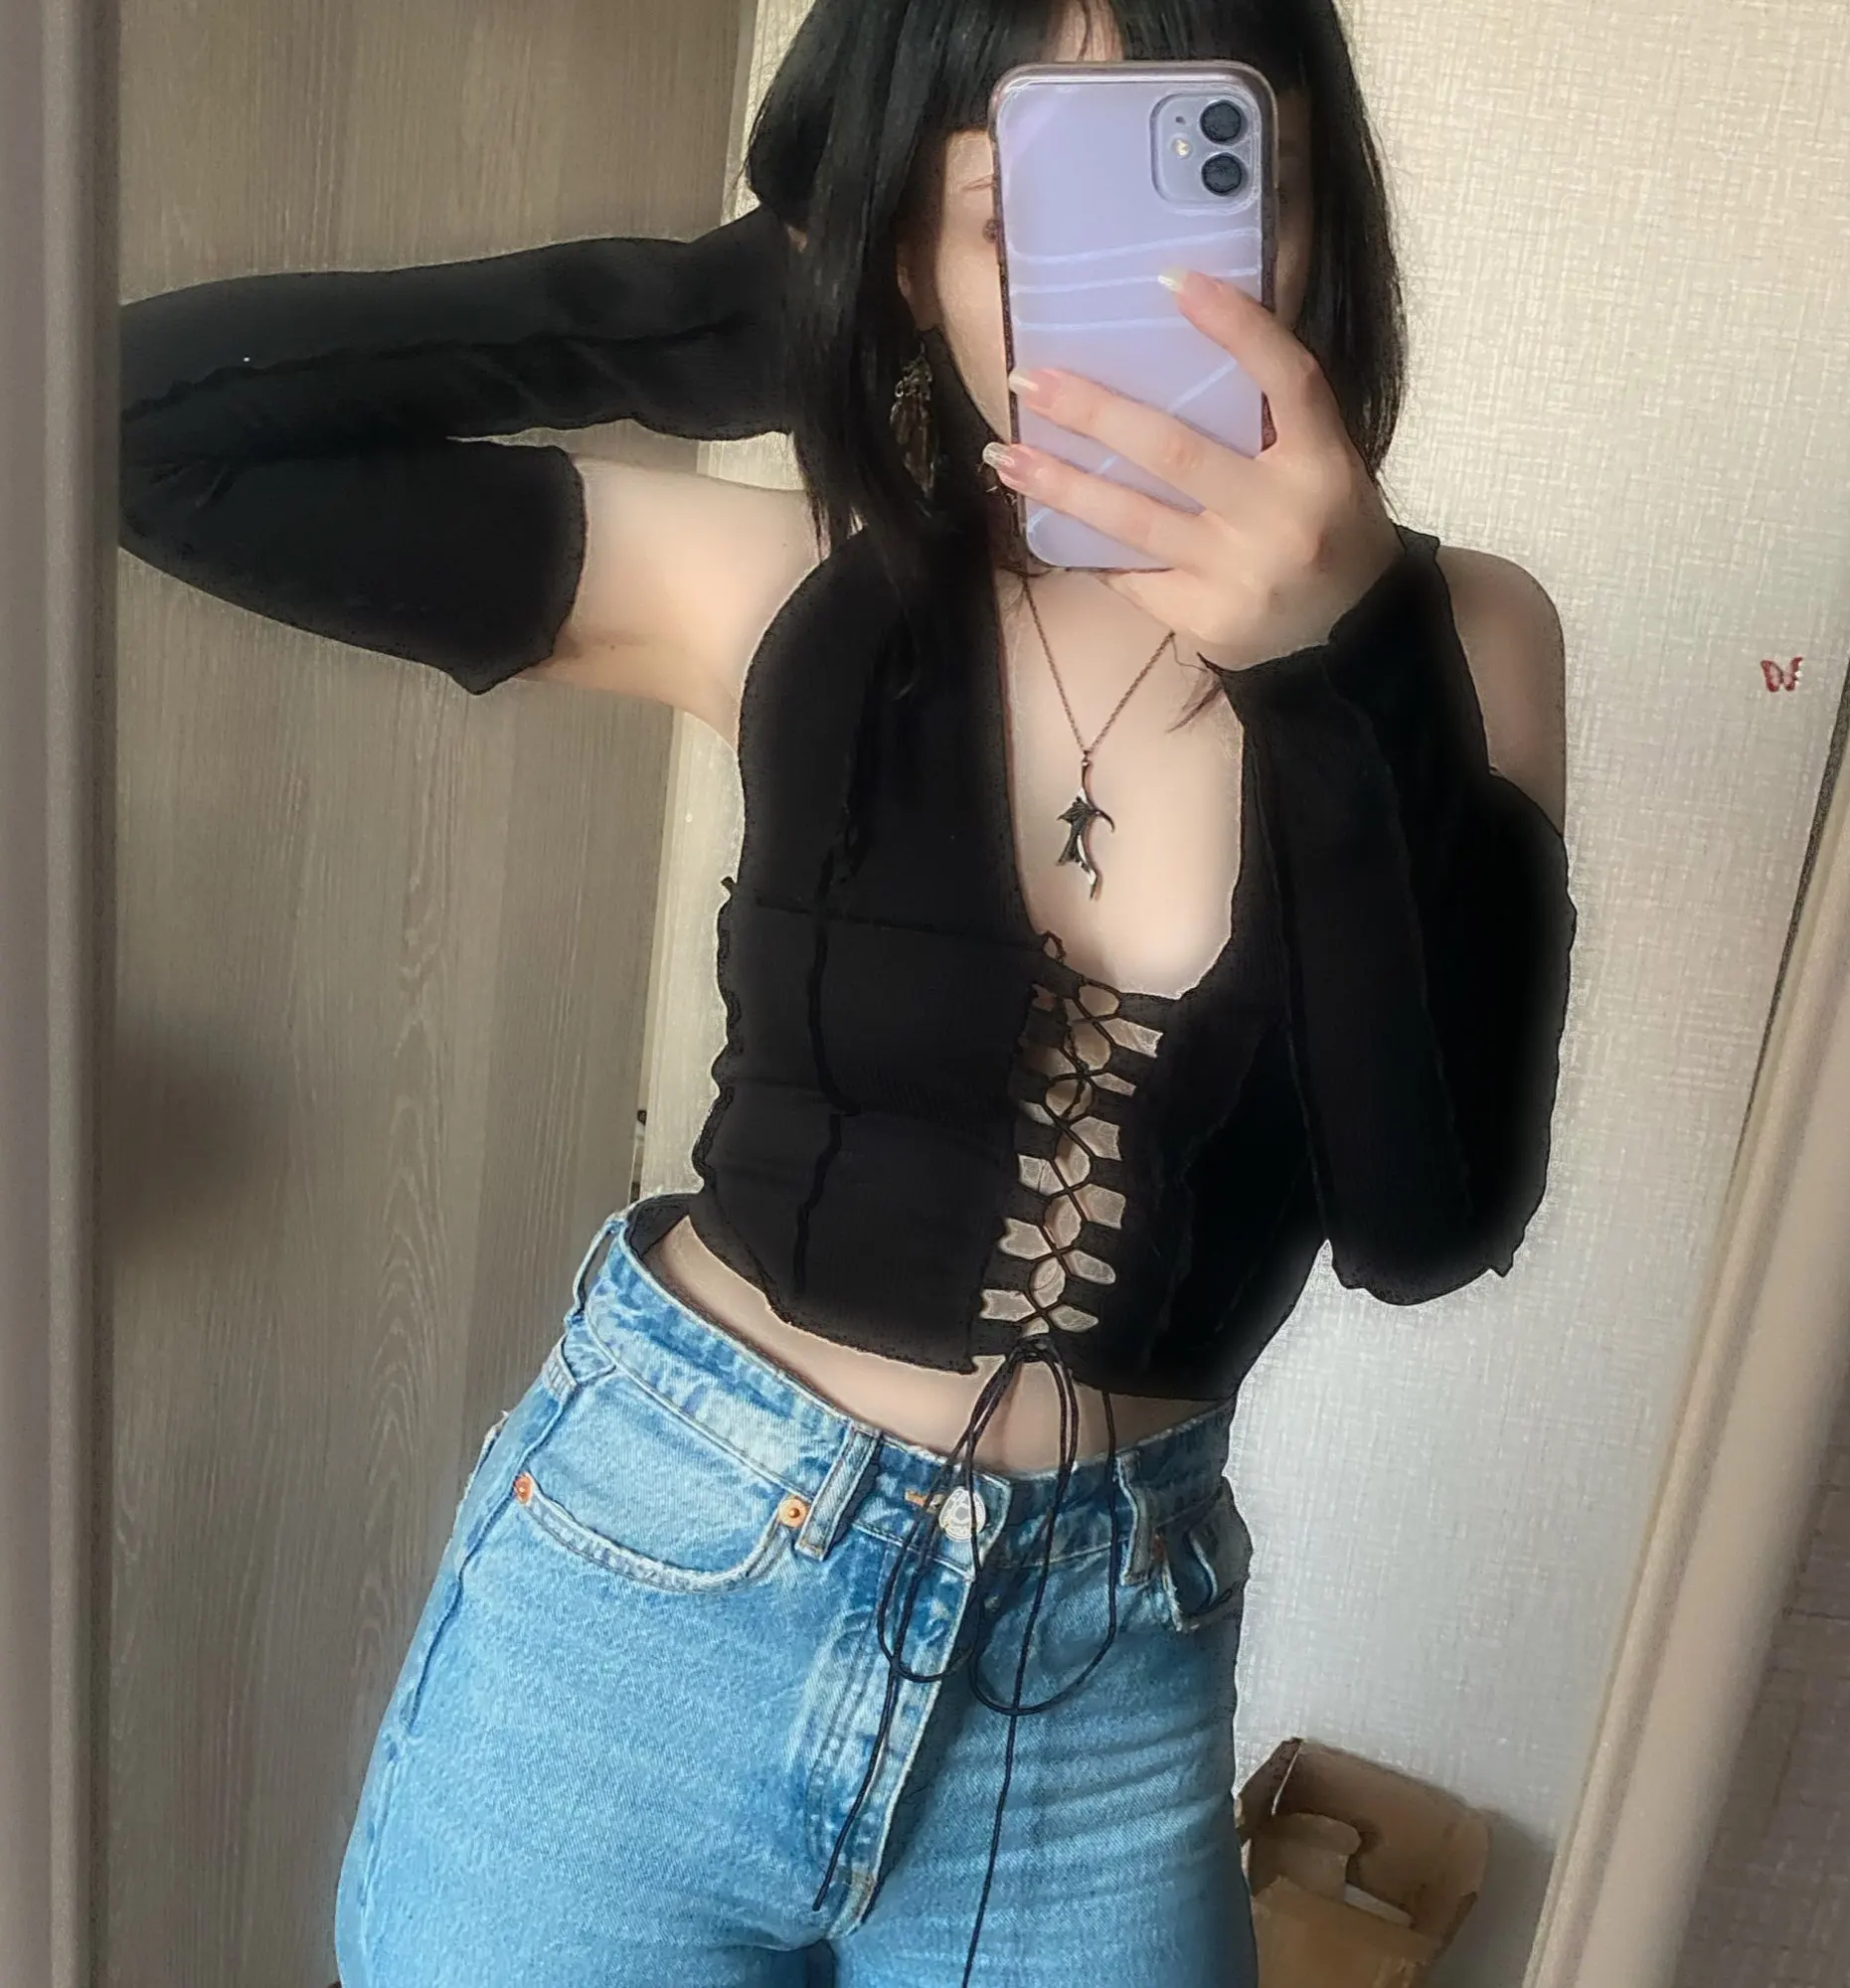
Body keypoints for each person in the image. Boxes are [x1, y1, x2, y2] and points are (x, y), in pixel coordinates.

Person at [117, 1, 1576, 1983]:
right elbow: (138, 425)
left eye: (1236, 192)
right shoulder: (785, 583)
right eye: (1024, 216)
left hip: (1099, 1695)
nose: (1152, 291)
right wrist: (747, 311)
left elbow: (1428, 1223)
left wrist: (1336, 668)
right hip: (652, 1591)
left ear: (1321, 226)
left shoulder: (1462, 645)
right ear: (906, 251)